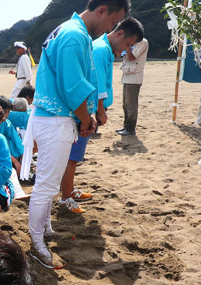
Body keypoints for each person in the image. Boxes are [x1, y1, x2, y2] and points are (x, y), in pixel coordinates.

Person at [24, 0, 130, 266]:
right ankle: (36, 243)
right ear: (102, 11)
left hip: (51, 116)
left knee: (49, 179)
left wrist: (87, 115)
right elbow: (71, 86)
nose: (110, 28)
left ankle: (44, 229)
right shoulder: (74, 35)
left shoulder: (67, 30)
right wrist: (86, 118)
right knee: (46, 184)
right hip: (56, 118)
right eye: (112, 22)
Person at [61, 17, 144, 213]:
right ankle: (66, 196)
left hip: (90, 109)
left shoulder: (104, 48)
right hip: (87, 110)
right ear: (119, 33)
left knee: (74, 156)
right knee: (72, 156)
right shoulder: (100, 49)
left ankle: (69, 190)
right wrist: (99, 111)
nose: (125, 50)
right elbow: (95, 83)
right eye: (128, 44)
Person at [117, 36, 148, 136]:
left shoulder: (142, 42)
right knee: (125, 104)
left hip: (134, 77)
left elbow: (132, 57)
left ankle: (130, 129)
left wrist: (127, 47)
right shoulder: (132, 42)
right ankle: (126, 126)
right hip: (127, 75)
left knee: (131, 105)